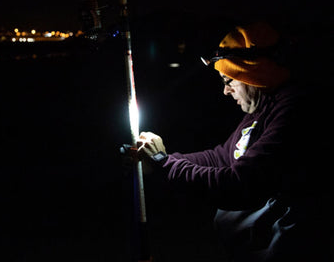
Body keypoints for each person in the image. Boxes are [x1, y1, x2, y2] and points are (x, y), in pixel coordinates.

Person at [137, 21, 332, 261]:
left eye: (229, 81)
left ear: (253, 75)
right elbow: (223, 157)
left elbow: (240, 185)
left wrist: (163, 163)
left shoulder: (295, 112)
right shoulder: (261, 109)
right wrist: (164, 159)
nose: (225, 91)